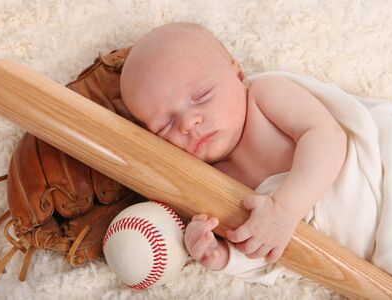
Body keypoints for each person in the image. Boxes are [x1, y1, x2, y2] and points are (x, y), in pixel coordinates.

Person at [119, 22, 347, 272]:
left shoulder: (265, 98)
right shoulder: (204, 182)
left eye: (202, 95)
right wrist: (220, 254)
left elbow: (327, 135)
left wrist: (285, 209)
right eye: (165, 125)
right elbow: (259, 245)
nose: (188, 123)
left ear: (237, 73)